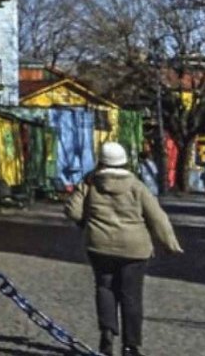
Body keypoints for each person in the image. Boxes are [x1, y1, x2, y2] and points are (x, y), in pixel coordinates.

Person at [64, 141, 183, 356]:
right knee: (131, 296)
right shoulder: (137, 186)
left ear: (100, 161)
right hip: (134, 249)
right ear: (125, 162)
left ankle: (107, 334)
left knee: (105, 288)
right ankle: (131, 346)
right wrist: (170, 244)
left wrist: (87, 222)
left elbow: (72, 210)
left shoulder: (91, 183)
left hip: (99, 246)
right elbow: (157, 217)